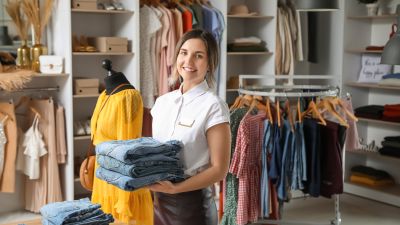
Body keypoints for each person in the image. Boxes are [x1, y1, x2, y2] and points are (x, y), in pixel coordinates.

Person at [149, 29, 231, 225]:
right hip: (158, 203)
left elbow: (220, 169)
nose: (188, 61)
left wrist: (176, 188)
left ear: (210, 64)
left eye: (198, 56)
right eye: (184, 53)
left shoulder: (213, 106)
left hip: (192, 207)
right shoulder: (162, 103)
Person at [90, 61, 153, 225]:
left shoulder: (129, 97)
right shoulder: (104, 95)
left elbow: (128, 147)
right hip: (103, 172)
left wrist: (124, 195)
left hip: (119, 175)